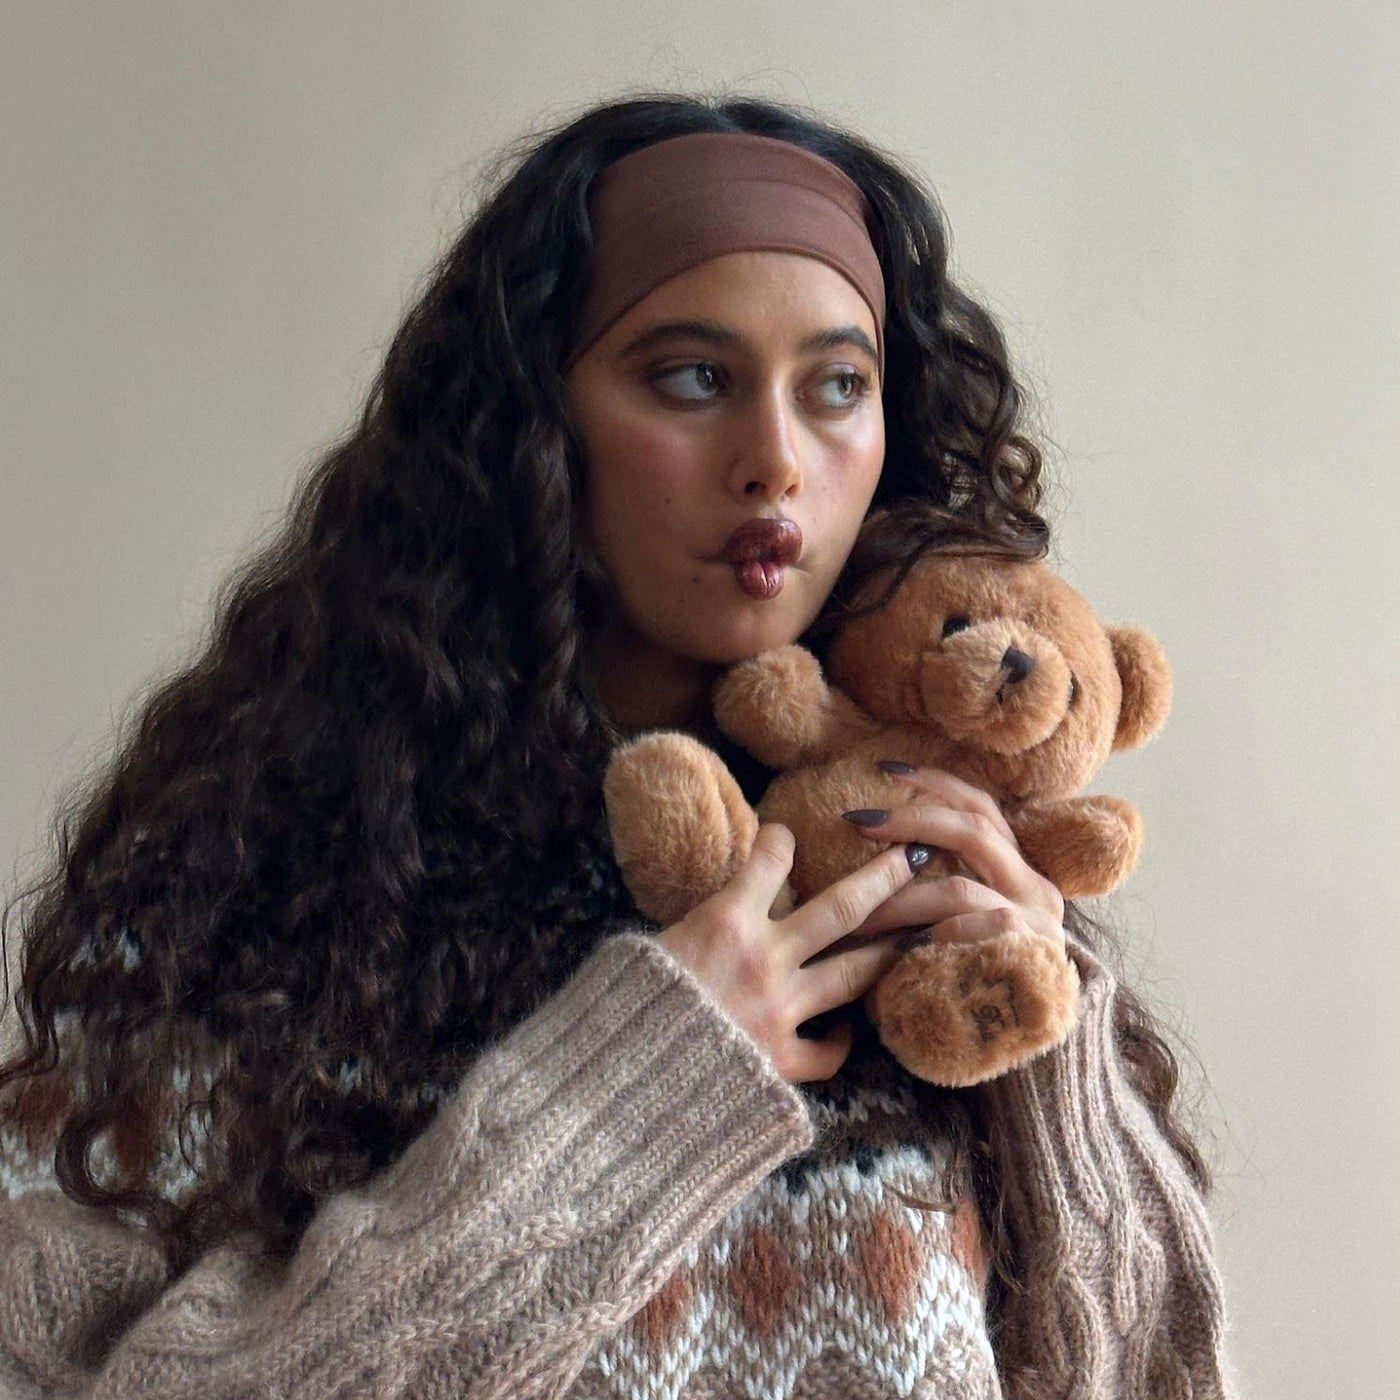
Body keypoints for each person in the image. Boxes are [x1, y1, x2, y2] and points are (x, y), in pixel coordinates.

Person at [0, 95, 1235, 1398]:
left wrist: (1057, 1064)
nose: (775, 459)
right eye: (692, 376)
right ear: (539, 426)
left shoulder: (929, 886)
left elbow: (1167, 1379)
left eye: (838, 387)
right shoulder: (256, 911)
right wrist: (623, 1111)